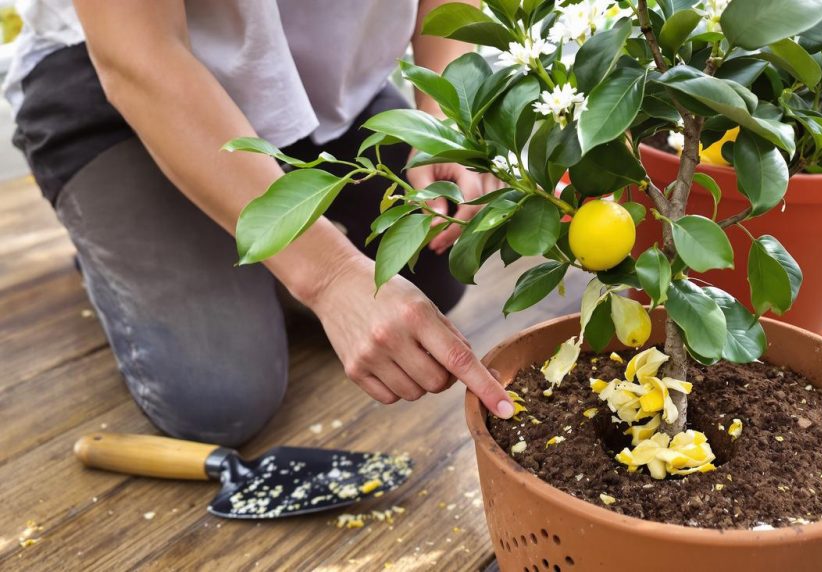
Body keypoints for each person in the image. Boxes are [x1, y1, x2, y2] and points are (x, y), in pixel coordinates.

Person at [5, 0, 516, 447]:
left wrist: (443, 122)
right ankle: (127, 243)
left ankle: (243, 249)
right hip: (126, 91)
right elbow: (138, 54)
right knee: (220, 395)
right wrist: (329, 276)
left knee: (432, 269)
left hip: (320, 83)